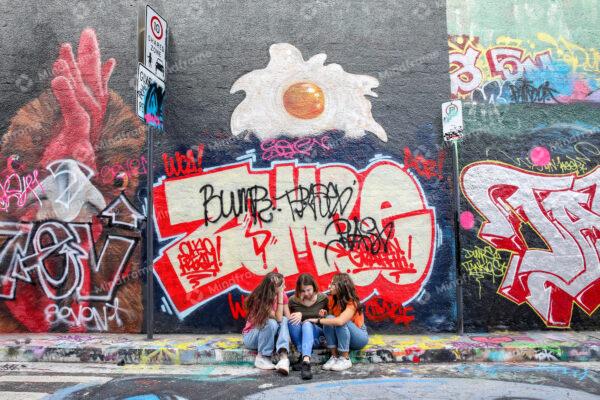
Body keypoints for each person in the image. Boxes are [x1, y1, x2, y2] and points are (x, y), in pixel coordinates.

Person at [306, 273, 368, 371]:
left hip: (358, 338)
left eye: (332, 284)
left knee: (340, 321)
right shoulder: (332, 299)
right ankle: (334, 357)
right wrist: (325, 315)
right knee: (329, 318)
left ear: (341, 286)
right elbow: (332, 320)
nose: (329, 286)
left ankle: (345, 358)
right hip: (343, 337)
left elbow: (340, 321)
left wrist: (318, 320)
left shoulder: (352, 302)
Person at [242, 272, 291, 374]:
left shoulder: (282, 294)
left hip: (268, 337)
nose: (285, 287)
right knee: (271, 322)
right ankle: (262, 357)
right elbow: (278, 318)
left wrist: (298, 316)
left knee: (285, 320)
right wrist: (280, 296)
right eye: (282, 285)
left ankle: (283, 357)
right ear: (275, 287)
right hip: (252, 338)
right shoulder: (260, 299)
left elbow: (287, 317)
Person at [287, 273, 328, 380]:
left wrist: (324, 315)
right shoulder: (293, 300)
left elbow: (331, 319)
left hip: (317, 337)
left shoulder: (323, 298)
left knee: (307, 324)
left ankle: (305, 361)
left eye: (309, 290)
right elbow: (286, 320)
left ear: (314, 287)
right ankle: (305, 359)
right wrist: (298, 315)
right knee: (291, 321)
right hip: (301, 341)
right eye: (302, 291)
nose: (306, 293)